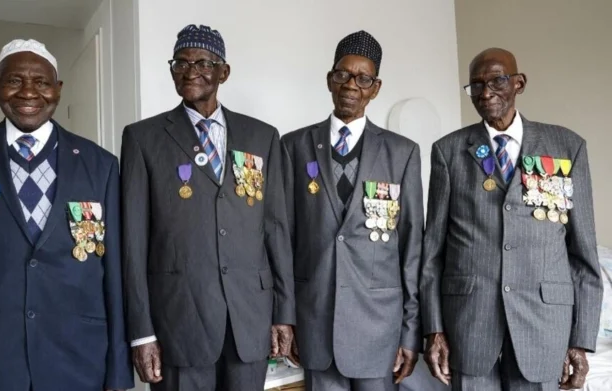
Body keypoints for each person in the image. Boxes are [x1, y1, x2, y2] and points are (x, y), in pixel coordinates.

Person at [0, 39, 133, 391]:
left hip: (80, 360)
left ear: (58, 90)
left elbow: (114, 275)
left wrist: (118, 371)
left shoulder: (100, 165)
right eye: (13, 80)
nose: (28, 92)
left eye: (41, 82)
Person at [121, 24, 295, 391]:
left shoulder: (262, 136)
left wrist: (284, 313)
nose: (190, 71)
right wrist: (141, 333)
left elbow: (275, 230)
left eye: (202, 62)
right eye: (180, 63)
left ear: (223, 72)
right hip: (179, 320)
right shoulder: (143, 138)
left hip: (249, 319)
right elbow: (132, 243)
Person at [420, 47, 602, 391]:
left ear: (519, 83)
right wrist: (434, 329)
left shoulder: (566, 146)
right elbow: (433, 254)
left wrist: (581, 339)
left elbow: (584, 254)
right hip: (470, 323)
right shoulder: (448, 151)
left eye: (497, 81)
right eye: (476, 85)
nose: (486, 93)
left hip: (543, 324)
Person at [281, 30, 423, 391]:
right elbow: (283, 238)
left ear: (375, 88)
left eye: (363, 78)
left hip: (379, 327)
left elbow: (411, 249)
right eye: (343, 75)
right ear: (330, 79)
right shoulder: (294, 146)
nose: (351, 86)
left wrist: (410, 332)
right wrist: (286, 318)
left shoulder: (402, 152)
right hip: (316, 322)